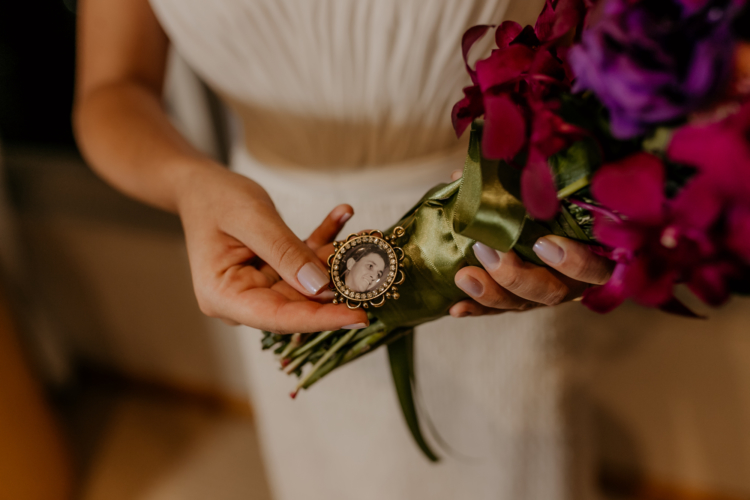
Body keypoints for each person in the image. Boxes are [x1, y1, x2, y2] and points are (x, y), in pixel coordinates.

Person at [73, 0, 615, 499]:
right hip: (268, 242)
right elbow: (111, 89)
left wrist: (591, 214)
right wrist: (189, 183)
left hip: (486, 222)